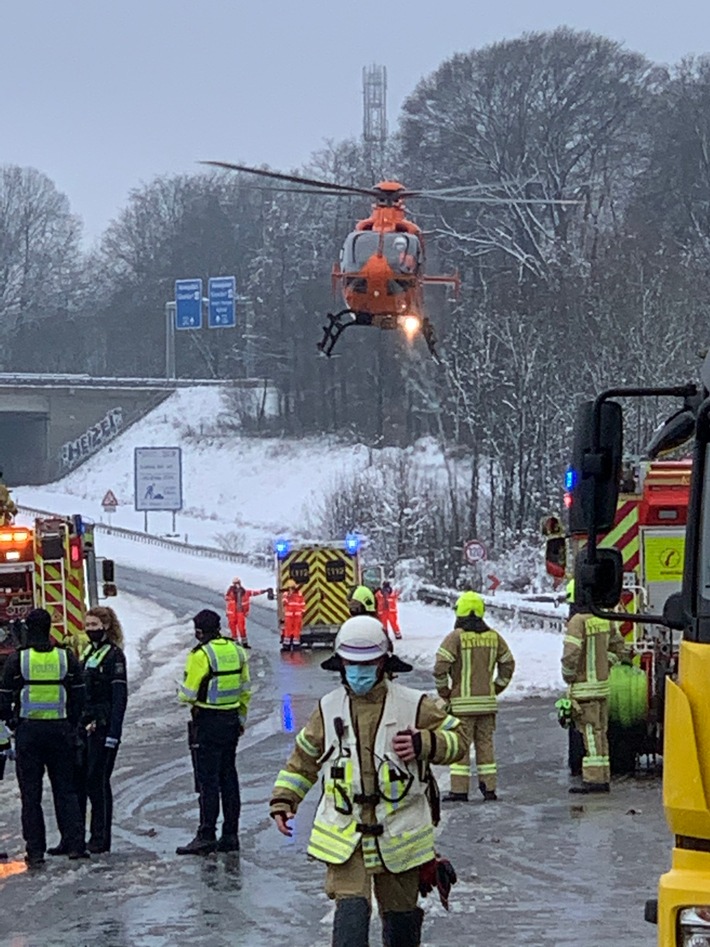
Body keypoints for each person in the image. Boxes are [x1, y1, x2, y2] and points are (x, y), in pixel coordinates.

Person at [269, 615, 469, 947]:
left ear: (383, 663)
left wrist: (424, 743)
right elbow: (303, 759)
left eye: (367, 663)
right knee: (350, 922)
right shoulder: (328, 708)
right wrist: (284, 800)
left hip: (399, 832)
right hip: (347, 836)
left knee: (401, 923)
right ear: (341, 664)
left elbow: (459, 739)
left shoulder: (414, 705)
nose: (358, 671)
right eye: (351, 664)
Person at [0, 608, 87, 866]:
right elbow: (79, 697)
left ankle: (35, 851)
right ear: (50, 628)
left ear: (27, 628)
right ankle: (75, 844)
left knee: (31, 795)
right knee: (66, 791)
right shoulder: (66, 658)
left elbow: (3, 699)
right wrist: (71, 723)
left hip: (29, 733)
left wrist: (14, 722)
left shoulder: (19, 660)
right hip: (60, 732)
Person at [48, 606, 128, 856]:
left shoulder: (114, 656)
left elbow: (119, 698)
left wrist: (114, 733)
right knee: (77, 782)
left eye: (94, 625)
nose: (90, 630)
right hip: (84, 724)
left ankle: (100, 838)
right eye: (87, 625)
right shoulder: (89, 653)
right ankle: (74, 838)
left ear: (106, 626)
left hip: (103, 726)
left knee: (98, 781)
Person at [176, 608, 251, 854]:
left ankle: (206, 834)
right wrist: (240, 719)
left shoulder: (200, 655)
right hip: (230, 720)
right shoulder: (237, 651)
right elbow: (245, 690)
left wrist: (181, 692)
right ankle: (231, 835)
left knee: (208, 781)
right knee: (229, 778)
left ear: (199, 631)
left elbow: (188, 694)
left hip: (207, 721)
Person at [433, 591, 515, 802]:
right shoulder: (494, 637)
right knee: (485, 746)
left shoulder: (455, 637)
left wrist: (445, 692)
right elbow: (508, 663)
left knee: (460, 748)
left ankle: (459, 791)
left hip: (462, 706)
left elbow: (440, 667)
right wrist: (496, 688)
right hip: (487, 705)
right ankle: (489, 789)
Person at [561, 580, 626, 794]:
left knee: (589, 733)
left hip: (584, 690)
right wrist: (604, 664)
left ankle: (594, 781)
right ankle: (603, 776)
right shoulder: (605, 618)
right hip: (602, 688)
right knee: (600, 732)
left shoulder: (578, 621)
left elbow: (571, 654)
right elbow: (618, 648)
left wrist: (568, 676)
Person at [224, 577, 269, 649]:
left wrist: (264, 591)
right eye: (235, 583)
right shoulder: (230, 593)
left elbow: (254, 593)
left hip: (240, 612)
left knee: (241, 628)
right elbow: (227, 598)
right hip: (232, 613)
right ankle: (235, 642)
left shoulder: (245, 593)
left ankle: (244, 643)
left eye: (238, 583)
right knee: (233, 628)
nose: (237, 585)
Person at [281, 581, 306, 650]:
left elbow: (302, 603)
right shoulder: (286, 594)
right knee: (288, 630)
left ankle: (296, 645)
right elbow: (284, 602)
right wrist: (288, 595)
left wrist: (302, 612)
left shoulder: (299, 594)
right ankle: (287, 645)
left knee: (296, 630)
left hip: (297, 615)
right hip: (289, 616)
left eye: (292, 587)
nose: (291, 589)